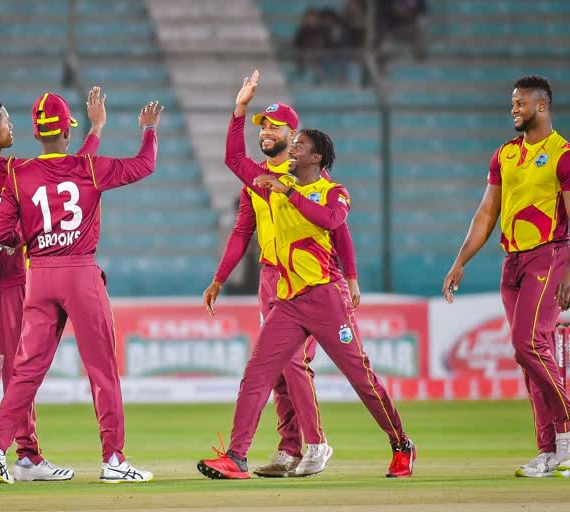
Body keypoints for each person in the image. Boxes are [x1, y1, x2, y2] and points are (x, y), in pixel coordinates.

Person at [197, 70, 416, 480]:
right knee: (258, 373)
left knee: (361, 379)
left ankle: (401, 443)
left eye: (298, 144)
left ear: (315, 157)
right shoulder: (269, 185)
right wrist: (239, 111)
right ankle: (237, 456)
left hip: (326, 298)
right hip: (289, 299)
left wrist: (351, 278)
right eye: (291, 143)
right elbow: (232, 161)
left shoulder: (332, 192)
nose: (290, 149)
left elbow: (332, 220)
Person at [0, 92, 163, 484]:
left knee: (26, 371)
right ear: (66, 131)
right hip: (79, 273)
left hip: (39, 275)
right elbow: (144, 165)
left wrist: (28, 235)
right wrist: (148, 131)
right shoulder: (89, 168)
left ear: (38, 133)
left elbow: (5, 232)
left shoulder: (18, 172)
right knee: (102, 370)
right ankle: (113, 458)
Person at [0, 89, 104, 481]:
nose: (12, 126)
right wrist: (97, 128)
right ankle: (27, 455)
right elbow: (73, 171)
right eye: (6, 122)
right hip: (9, 279)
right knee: (19, 369)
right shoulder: (16, 170)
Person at [203, 102, 360, 477]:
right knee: (276, 371)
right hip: (270, 280)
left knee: (292, 362)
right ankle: (289, 449)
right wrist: (219, 278)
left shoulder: (303, 182)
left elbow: (339, 230)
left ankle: (316, 444)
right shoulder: (255, 181)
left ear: (293, 137)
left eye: (274, 127)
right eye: (263, 127)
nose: (266, 132)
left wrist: (351, 277)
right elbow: (243, 232)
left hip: (307, 280)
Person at [443, 75, 570, 479]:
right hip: (512, 263)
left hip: (549, 256)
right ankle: (549, 450)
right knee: (527, 355)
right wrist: (460, 260)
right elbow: (486, 213)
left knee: (528, 342)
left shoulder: (563, 155)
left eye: (521, 103)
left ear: (542, 106)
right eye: (512, 103)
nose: (514, 109)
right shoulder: (504, 155)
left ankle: (567, 432)